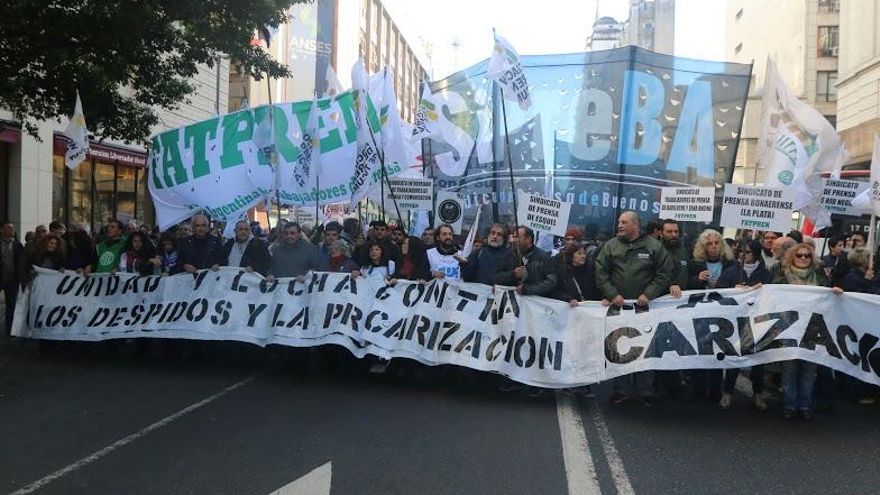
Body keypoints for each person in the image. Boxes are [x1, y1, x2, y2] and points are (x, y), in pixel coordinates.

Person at [595, 211, 673, 406]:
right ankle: (620, 389)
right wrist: (613, 294)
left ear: (635, 225)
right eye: (619, 222)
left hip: (645, 308)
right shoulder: (610, 246)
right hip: (618, 308)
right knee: (620, 347)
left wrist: (649, 294)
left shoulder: (654, 247)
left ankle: (645, 390)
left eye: (624, 222)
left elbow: (664, 273)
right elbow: (600, 271)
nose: (619, 225)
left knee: (645, 347)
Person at [772, 243, 843, 420]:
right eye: (799, 255)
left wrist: (835, 292)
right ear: (792, 257)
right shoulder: (781, 278)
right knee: (789, 369)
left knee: (809, 371)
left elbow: (828, 298)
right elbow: (771, 298)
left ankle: (805, 405)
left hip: (813, 330)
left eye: (807, 256)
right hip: (788, 329)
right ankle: (789, 404)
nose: (803, 258)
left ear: (812, 258)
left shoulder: (820, 277)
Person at [715, 239, 772, 411]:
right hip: (735, 322)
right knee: (734, 358)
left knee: (758, 361)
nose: (743, 255)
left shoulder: (765, 274)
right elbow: (719, 292)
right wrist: (734, 290)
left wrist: (761, 290)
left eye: (747, 252)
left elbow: (772, 296)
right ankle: (727, 394)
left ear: (755, 253)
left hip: (757, 322)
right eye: (741, 252)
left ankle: (758, 394)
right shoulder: (732, 271)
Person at [840, 248, 880, 404]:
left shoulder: (860, 276)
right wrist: (870, 282)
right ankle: (856, 391)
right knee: (859, 354)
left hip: (862, 322)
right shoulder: (854, 278)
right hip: (858, 323)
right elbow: (865, 297)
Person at [493, 226, 558, 296]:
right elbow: (496, 277)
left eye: (517, 237)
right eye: (513, 237)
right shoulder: (508, 255)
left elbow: (551, 282)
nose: (514, 240)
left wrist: (527, 289)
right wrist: (513, 274)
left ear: (528, 239)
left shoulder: (544, 257)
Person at [0, 223, 25, 334]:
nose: (12, 230)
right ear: (2, 230)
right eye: (8, 228)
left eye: (12, 228)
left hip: (12, 280)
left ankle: (10, 329)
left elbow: (22, 261)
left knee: (11, 306)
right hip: (1, 277)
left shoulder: (17, 245)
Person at [660, 219, 689, 298]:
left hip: (682, 300)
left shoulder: (683, 252)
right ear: (661, 233)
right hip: (660, 299)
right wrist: (670, 285)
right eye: (669, 232)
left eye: (676, 231)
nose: (673, 235)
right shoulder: (655, 251)